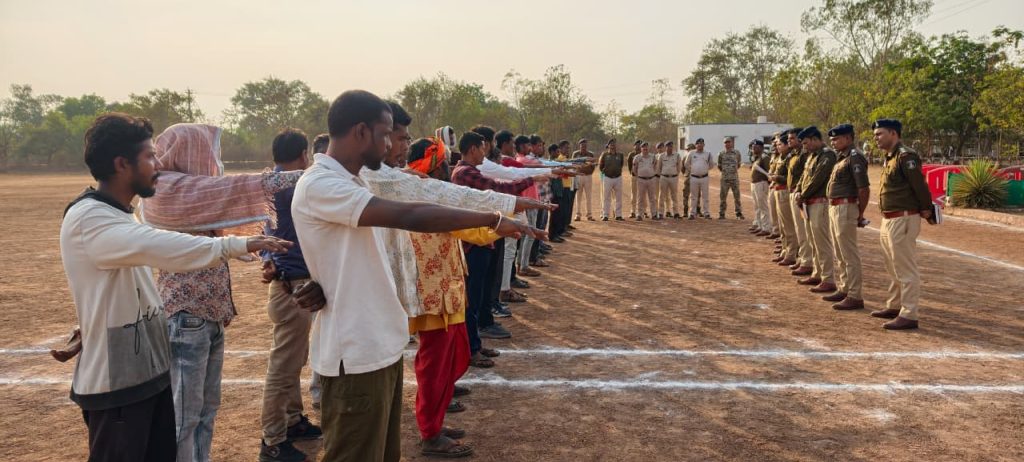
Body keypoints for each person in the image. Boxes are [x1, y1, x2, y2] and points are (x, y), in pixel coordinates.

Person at [292, 90, 540, 462]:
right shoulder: (322, 184)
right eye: (386, 134)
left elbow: (418, 201)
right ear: (361, 131)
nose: (391, 144)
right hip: (355, 352)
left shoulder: (358, 182)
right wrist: (492, 219)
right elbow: (411, 214)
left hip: (380, 345)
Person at [61, 113, 291, 462]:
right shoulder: (90, 218)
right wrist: (239, 244)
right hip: (116, 385)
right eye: (150, 157)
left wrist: (89, 324)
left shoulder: (119, 212)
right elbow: (165, 247)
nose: (158, 165)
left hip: (144, 374)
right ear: (122, 164)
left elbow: (121, 287)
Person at [142, 123, 305, 462]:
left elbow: (225, 196)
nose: (212, 159)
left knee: (205, 411)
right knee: (185, 417)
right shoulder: (167, 189)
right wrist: (312, 175)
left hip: (208, 315)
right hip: (187, 315)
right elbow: (239, 187)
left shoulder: (192, 191)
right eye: (205, 151)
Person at [258, 128, 324, 462]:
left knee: (294, 358)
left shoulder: (270, 184)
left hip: (287, 281)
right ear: (303, 155)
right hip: (292, 285)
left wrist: (267, 258)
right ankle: (272, 440)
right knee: (284, 365)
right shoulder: (294, 185)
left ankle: (293, 419)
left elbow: (265, 230)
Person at [871, 118, 932, 330]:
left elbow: (919, 185)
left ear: (893, 133)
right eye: (875, 135)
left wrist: (926, 208)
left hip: (903, 218)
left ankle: (909, 313)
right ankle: (895, 305)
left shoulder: (906, 156)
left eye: (879, 134)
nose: (876, 138)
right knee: (892, 265)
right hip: (890, 218)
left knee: (905, 268)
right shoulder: (890, 157)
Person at [824, 124, 871, 311]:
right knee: (840, 252)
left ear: (848, 138)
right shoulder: (841, 157)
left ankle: (855, 295)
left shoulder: (854, 157)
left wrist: (860, 213)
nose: (833, 142)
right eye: (832, 139)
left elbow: (863, 188)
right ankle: (844, 288)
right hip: (836, 207)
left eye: (837, 139)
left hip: (846, 207)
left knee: (849, 253)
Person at [794, 126, 837, 294]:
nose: (804, 146)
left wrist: (803, 194)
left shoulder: (827, 155)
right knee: (813, 241)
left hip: (820, 202)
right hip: (809, 203)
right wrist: (798, 190)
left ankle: (828, 278)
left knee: (822, 242)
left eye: (806, 143)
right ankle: (817, 273)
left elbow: (818, 179)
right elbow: (804, 178)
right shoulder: (812, 156)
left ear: (814, 139)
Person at [786, 128, 814, 275]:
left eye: (792, 138)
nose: (789, 141)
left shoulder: (804, 155)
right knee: (799, 229)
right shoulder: (795, 154)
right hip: (795, 193)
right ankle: (803, 258)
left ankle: (807, 261)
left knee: (803, 230)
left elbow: (806, 176)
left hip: (802, 196)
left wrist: (801, 193)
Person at [769, 133, 798, 267]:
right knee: (782, 226)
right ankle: (785, 250)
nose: (777, 146)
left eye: (780, 144)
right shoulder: (781, 157)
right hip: (778, 190)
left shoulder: (790, 157)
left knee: (788, 225)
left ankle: (791, 253)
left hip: (785, 190)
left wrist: (777, 178)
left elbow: (789, 177)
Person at [598, 138, 625, 221]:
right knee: (606, 197)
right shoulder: (605, 155)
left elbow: (621, 164)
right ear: (608, 145)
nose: (613, 145)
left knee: (618, 197)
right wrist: (606, 172)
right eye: (611, 143)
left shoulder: (620, 155)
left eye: (614, 143)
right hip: (607, 178)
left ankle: (618, 215)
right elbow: (601, 166)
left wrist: (616, 171)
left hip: (618, 178)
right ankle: (605, 215)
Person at [717, 136, 744, 220]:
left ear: (732, 143)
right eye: (725, 142)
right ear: (724, 144)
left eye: (728, 142)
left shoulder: (737, 153)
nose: (727, 144)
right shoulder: (721, 154)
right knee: (723, 197)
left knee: (737, 197)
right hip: (724, 179)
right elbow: (719, 165)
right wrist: (726, 172)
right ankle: (722, 213)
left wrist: (732, 171)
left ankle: (738, 213)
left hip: (734, 178)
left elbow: (738, 164)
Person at [748, 139, 772, 233]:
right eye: (753, 147)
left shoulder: (764, 158)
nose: (753, 149)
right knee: (757, 206)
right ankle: (759, 224)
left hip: (761, 183)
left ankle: (766, 227)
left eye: (756, 147)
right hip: (755, 183)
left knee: (763, 206)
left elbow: (769, 172)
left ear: (761, 148)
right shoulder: (757, 158)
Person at [686, 138, 713, 219]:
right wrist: (693, 170)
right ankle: (692, 213)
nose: (700, 145)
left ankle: (706, 213)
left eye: (701, 143)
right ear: (696, 145)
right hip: (694, 177)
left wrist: (704, 170)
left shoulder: (708, 154)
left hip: (704, 177)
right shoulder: (691, 153)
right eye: (698, 143)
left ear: (704, 145)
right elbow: (686, 164)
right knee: (693, 197)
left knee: (705, 197)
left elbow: (711, 165)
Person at [655, 141, 682, 219]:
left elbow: (679, 166)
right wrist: (662, 174)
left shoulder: (677, 155)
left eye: (671, 146)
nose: (670, 148)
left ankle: (676, 212)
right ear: (665, 147)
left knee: (674, 195)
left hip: (673, 178)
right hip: (664, 178)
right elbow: (659, 167)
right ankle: (660, 213)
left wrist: (675, 174)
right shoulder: (662, 156)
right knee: (662, 195)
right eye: (668, 146)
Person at [631, 142, 658, 221]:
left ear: (648, 148)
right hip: (641, 180)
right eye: (643, 147)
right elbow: (634, 169)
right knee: (640, 198)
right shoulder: (637, 157)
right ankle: (639, 214)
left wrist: (652, 173)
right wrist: (639, 176)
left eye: (646, 147)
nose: (645, 148)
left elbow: (655, 166)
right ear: (641, 148)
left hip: (651, 179)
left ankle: (654, 214)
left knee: (652, 198)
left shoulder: (653, 156)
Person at [572, 139, 597, 221]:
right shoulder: (576, 154)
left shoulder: (590, 154)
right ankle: (578, 214)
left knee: (588, 196)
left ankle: (589, 214)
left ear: (587, 146)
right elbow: (573, 164)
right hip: (578, 176)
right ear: (579, 146)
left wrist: (589, 172)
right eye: (582, 145)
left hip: (588, 176)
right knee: (578, 196)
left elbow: (593, 166)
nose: (583, 147)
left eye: (585, 145)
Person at [626, 139, 643, 218]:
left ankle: (643, 211)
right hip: (634, 177)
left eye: (640, 145)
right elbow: (629, 165)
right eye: (637, 145)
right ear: (634, 146)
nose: (638, 146)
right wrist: (632, 173)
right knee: (634, 194)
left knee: (642, 195)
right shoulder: (631, 154)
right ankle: (632, 211)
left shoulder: (643, 154)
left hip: (643, 177)